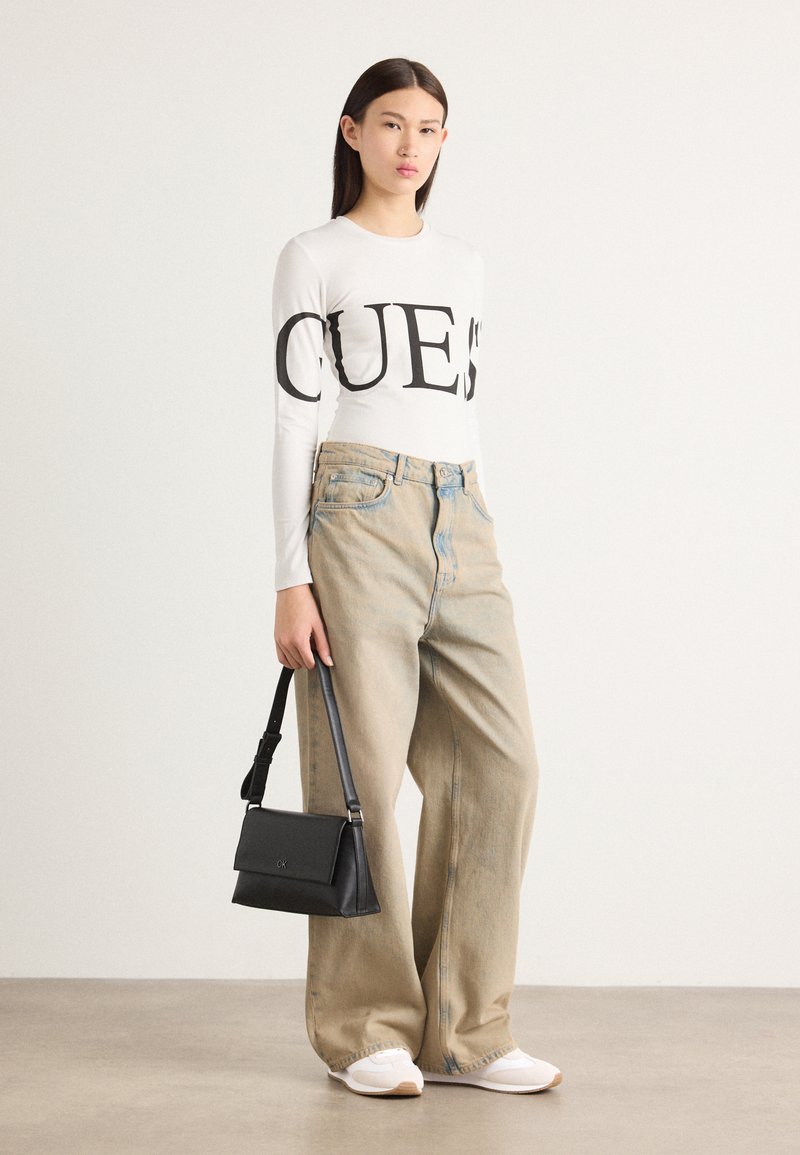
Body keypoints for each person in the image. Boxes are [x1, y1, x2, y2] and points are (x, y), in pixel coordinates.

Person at [270, 57, 563, 1098]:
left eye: (429, 128)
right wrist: (289, 575)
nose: (411, 145)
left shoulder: (463, 263)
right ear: (352, 131)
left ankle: (466, 1031)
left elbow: (461, 410)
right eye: (391, 123)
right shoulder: (315, 255)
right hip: (355, 507)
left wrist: (469, 521)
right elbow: (293, 419)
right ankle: (367, 1030)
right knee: (360, 778)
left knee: (501, 764)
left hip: (460, 509)